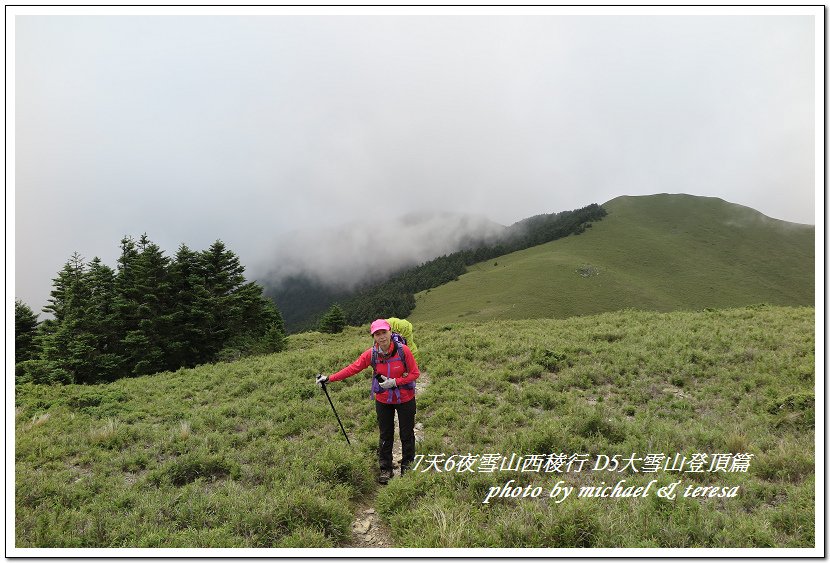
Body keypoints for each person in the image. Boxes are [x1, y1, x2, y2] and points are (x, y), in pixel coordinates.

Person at [316, 319, 420, 484]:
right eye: (377, 334)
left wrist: (395, 382)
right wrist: (329, 379)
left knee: (407, 433)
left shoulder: (403, 351)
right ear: (373, 337)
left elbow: (415, 374)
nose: (381, 337)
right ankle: (385, 469)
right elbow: (353, 368)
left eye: (384, 333)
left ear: (390, 332)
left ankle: (407, 468)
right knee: (385, 434)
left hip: (405, 397)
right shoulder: (371, 354)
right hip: (384, 399)